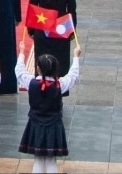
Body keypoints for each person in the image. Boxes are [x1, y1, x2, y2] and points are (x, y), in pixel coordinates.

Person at [14, 42, 83, 174]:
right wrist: (75, 56)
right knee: (51, 161)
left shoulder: (31, 82)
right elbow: (73, 75)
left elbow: (19, 71)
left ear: (38, 69)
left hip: (35, 123)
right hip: (54, 124)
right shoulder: (60, 84)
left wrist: (22, 52)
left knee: (38, 160)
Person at [27, 0, 76, 83]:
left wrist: (31, 31)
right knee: (60, 63)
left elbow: (32, 8)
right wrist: (72, 31)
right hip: (61, 30)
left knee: (42, 62)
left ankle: (41, 88)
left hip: (42, 30)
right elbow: (72, 10)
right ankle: (59, 91)